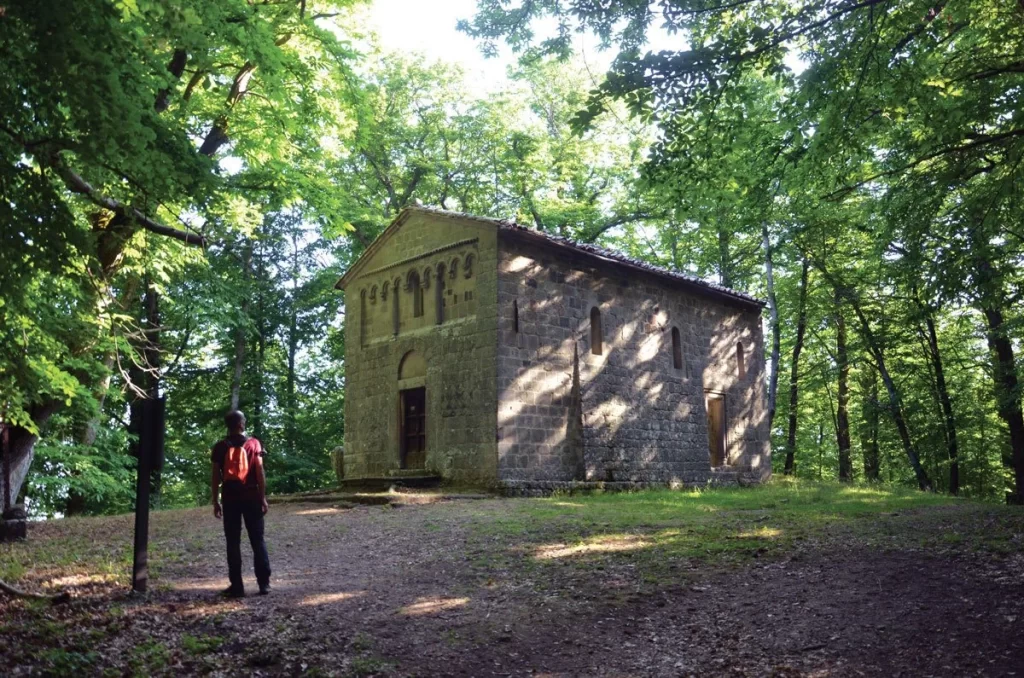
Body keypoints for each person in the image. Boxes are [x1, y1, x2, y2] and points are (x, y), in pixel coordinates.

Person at [211, 410, 271, 597]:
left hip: (230, 498)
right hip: (251, 496)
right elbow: (259, 471)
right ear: (240, 425)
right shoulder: (253, 444)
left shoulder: (220, 447)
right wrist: (262, 497)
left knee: (233, 542)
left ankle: (237, 586)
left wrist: (216, 501)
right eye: (244, 420)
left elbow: (215, 477)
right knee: (257, 539)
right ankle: (264, 584)